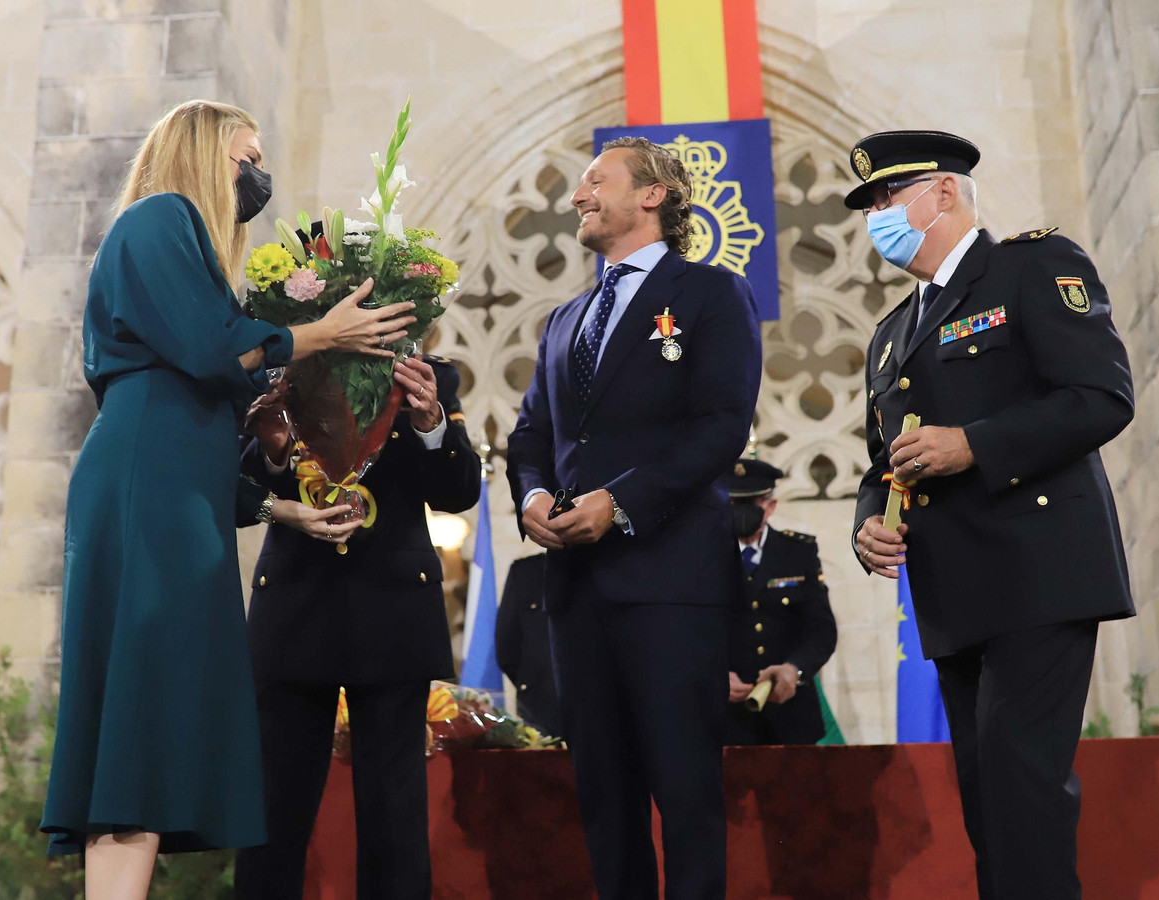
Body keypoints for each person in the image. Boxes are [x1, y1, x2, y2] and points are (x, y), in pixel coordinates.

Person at [40, 100, 415, 900]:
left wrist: (283, 509)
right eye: (246, 156)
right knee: (140, 705)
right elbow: (216, 350)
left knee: (150, 714)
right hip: (150, 485)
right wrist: (324, 334)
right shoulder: (160, 216)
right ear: (205, 156)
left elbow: (204, 411)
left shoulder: (183, 245)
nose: (257, 174)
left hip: (173, 486)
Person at [846, 130, 1136, 900]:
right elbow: (883, 462)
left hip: (1039, 570)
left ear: (943, 192)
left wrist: (975, 445)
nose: (875, 215)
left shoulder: (1031, 266)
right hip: (953, 592)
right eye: (869, 204)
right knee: (986, 799)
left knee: (1023, 788)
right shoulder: (887, 338)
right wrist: (868, 525)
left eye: (885, 198)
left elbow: (1101, 397)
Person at [506, 136, 762, 900]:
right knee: (604, 803)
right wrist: (532, 499)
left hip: (670, 583)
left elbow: (721, 426)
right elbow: (530, 437)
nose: (578, 196)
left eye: (595, 180)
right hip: (575, 592)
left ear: (652, 194)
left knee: (684, 796)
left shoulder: (711, 293)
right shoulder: (564, 320)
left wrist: (619, 504)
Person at [233, 353, 481, 900]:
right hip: (295, 609)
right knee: (272, 818)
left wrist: (430, 423)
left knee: (395, 824)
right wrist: (275, 451)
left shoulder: (426, 374)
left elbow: (458, 492)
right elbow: (237, 491)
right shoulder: (282, 371)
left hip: (392, 612)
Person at [720, 458, 838, 746]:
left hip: (792, 716)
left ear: (771, 505)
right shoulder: (701, 559)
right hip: (725, 720)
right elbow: (686, 633)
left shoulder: (799, 552)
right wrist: (710, 676)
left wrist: (794, 670)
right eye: (736, 503)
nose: (744, 512)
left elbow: (821, 631)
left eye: (754, 502)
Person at [494, 552, 561, 737]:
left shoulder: (611, 565)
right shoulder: (525, 572)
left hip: (604, 705)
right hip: (541, 712)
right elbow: (507, 648)